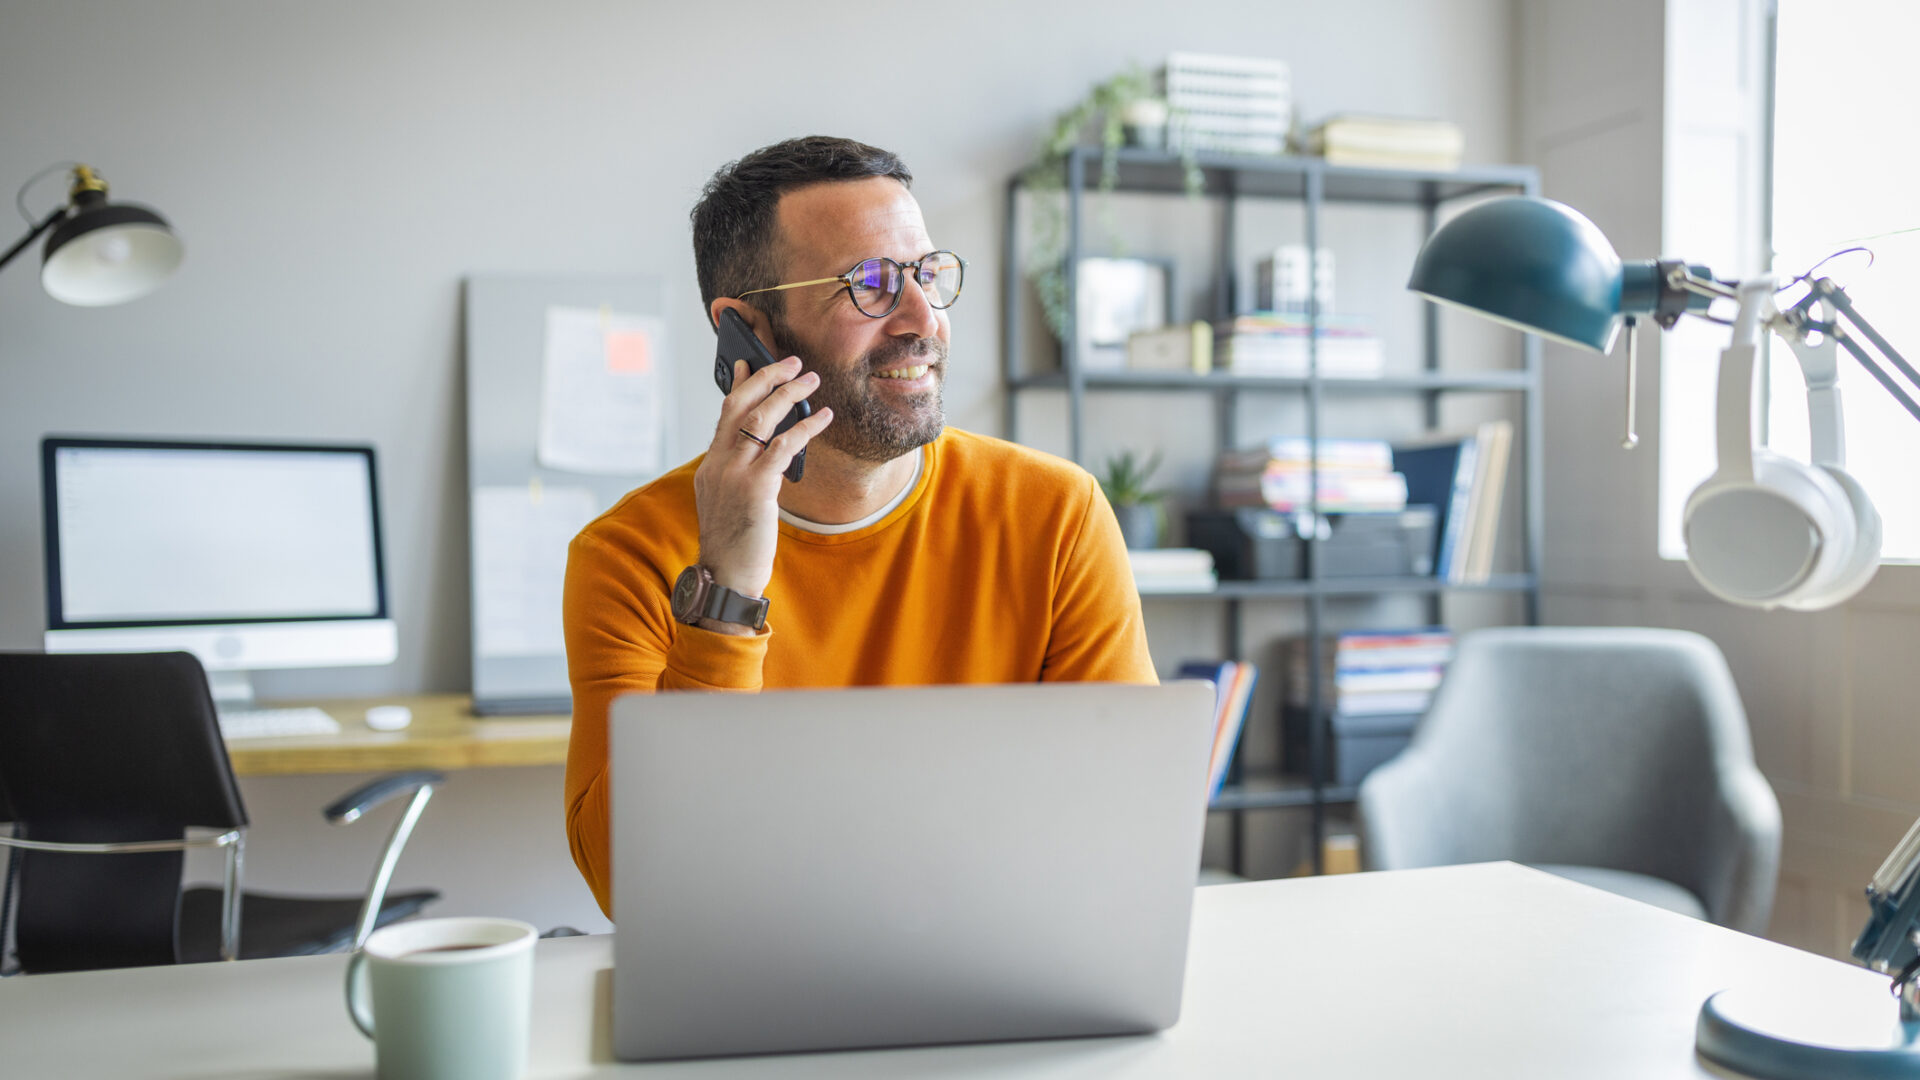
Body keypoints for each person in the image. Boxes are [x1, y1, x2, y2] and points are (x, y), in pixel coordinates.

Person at [562, 136, 1156, 915]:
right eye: (869, 284)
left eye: (927, 275)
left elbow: (1132, 824)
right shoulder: (628, 555)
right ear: (750, 332)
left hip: (999, 969)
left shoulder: (1055, 516)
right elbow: (634, 885)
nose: (924, 320)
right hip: (755, 989)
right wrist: (729, 591)